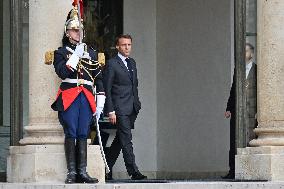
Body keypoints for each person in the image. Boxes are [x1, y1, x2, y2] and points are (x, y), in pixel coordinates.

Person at [51, 5, 105, 184]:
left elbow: (98, 77)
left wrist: (101, 100)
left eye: (79, 30)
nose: (77, 33)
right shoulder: (61, 53)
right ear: (67, 33)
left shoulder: (91, 52)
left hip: (87, 96)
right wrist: (75, 56)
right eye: (74, 30)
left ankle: (82, 172)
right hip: (70, 96)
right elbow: (62, 73)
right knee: (71, 132)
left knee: (83, 132)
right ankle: (71, 172)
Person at [103, 34, 147, 180]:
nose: (127, 47)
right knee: (126, 138)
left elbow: (134, 85)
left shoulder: (132, 63)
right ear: (117, 47)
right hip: (119, 108)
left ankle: (106, 168)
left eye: (129, 45)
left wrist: (137, 104)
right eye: (124, 45)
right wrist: (110, 110)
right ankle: (133, 171)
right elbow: (107, 89)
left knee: (121, 140)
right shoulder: (112, 64)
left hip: (132, 107)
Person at [224, 42, 257, 179]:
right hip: (238, 112)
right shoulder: (238, 70)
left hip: (252, 112)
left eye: (246, 51)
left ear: (252, 54)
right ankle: (233, 171)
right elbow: (233, 90)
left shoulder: (257, 70)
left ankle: (250, 171)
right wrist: (229, 108)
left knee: (250, 140)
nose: (244, 54)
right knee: (235, 141)